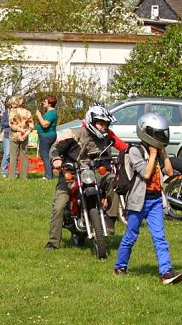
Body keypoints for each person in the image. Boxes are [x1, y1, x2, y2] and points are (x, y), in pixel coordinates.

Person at [113, 112, 182, 284]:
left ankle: (166, 272)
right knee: (131, 236)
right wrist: (152, 155)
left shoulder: (158, 152)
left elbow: (169, 172)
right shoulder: (134, 151)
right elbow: (145, 173)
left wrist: (163, 154)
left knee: (160, 238)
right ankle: (120, 266)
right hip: (139, 201)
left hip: (155, 201)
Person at [45, 105, 128, 250]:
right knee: (60, 205)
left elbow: (110, 158)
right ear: (91, 121)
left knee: (113, 180)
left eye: (105, 124)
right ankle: (53, 242)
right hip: (71, 173)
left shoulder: (106, 139)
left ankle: (110, 219)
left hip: (94, 173)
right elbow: (55, 148)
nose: (103, 127)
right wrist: (56, 159)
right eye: (100, 123)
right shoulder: (74, 133)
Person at [8, 95, 33, 179]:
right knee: (24, 156)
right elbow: (31, 126)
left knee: (13, 156)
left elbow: (12, 124)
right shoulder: (28, 112)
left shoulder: (12, 112)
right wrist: (25, 134)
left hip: (14, 135)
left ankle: (12, 176)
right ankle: (24, 176)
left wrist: (20, 131)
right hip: (24, 135)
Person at [35, 95, 58, 180]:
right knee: (46, 155)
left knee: (45, 155)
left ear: (49, 103)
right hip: (46, 136)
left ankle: (48, 176)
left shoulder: (51, 113)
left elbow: (45, 124)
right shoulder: (50, 112)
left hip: (47, 136)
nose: (43, 103)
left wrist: (39, 115)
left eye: (45, 101)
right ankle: (49, 174)